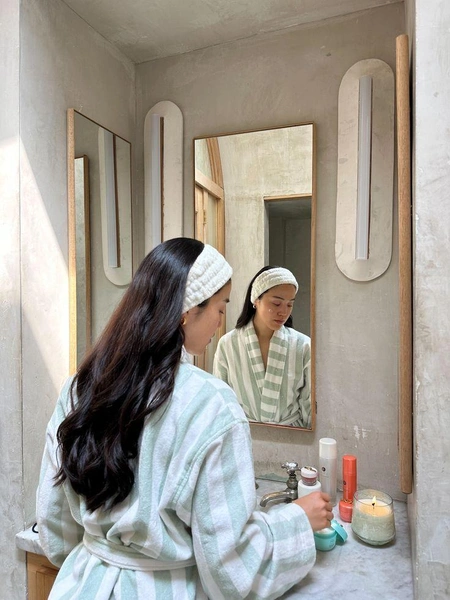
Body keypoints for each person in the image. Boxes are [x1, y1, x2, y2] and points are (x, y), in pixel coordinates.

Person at [37, 239, 331, 600]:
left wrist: (103, 556)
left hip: (82, 586)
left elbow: (55, 528)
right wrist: (296, 520)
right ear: (188, 310)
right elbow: (232, 572)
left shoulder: (79, 388)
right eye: (220, 308)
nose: (220, 323)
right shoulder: (212, 404)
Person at [213, 266, 311, 428]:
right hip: (243, 433)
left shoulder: (303, 346)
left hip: (292, 435)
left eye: (289, 305)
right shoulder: (228, 344)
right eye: (277, 303)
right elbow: (220, 401)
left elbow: (309, 405)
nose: (283, 312)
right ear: (256, 300)